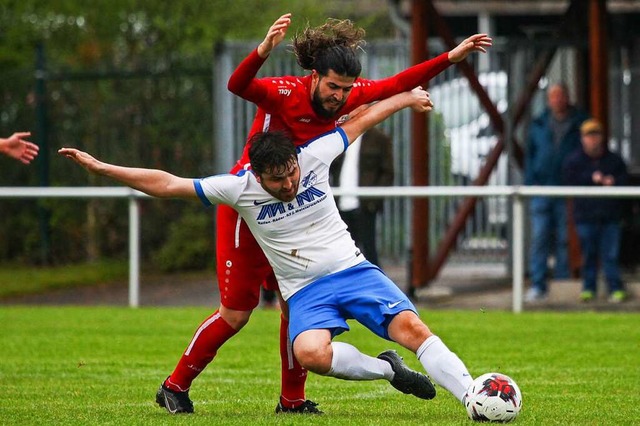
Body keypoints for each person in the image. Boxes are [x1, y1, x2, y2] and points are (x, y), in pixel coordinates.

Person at [59, 87, 477, 416]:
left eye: (292, 172)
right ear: (257, 175)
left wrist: (406, 98)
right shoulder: (238, 188)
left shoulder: (314, 156)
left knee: (413, 329)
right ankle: (389, 370)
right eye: (277, 180)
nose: (289, 184)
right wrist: (103, 169)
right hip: (305, 291)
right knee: (310, 353)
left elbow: (364, 118)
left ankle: (473, 397)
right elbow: (167, 184)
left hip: (354, 270)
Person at [158, 13, 491, 415]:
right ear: (314, 77)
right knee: (236, 313)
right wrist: (263, 50)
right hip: (250, 206)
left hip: (293, 208)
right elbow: (237, 85)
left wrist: (451, 58)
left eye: (347, 89)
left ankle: (292, 400)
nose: (340, 97)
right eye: (333, 86)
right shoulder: (283, 93)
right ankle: (175, 386)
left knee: (293, 305)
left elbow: (396, 84)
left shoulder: (346, 98)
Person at [524, 83, 589, 302]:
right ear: (549, 100)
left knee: (564, 237)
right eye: (553, 96)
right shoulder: (539, 123)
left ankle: (562, 284)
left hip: (567, 189)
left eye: (561, 96)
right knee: (540, 237)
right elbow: (530, 156)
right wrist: (531, 183)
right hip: (542, 188)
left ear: (567, 98)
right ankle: (538, 283)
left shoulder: (579, 122)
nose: (557, 100)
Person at [562, 118, 629, 303]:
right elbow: (569, 180)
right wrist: (591, 178)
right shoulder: (574, 161)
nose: (593, 139)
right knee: (589, 254)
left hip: (610, 215)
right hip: (585, 215)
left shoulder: (614, 160)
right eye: (589, 135)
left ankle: (615, 289)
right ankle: (588, 289)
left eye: (595, 135)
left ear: (601, 137)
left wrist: (613, 182)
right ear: (582, 138)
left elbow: (625, 180)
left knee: (610, 255)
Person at [330, 126, 394, 267]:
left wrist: (373, 201)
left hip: (365, 205)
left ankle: (375, 287)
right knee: (342, 253)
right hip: (340, 204)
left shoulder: (378, 138)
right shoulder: (341, 136)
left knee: (368, 250)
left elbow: (388, 172)